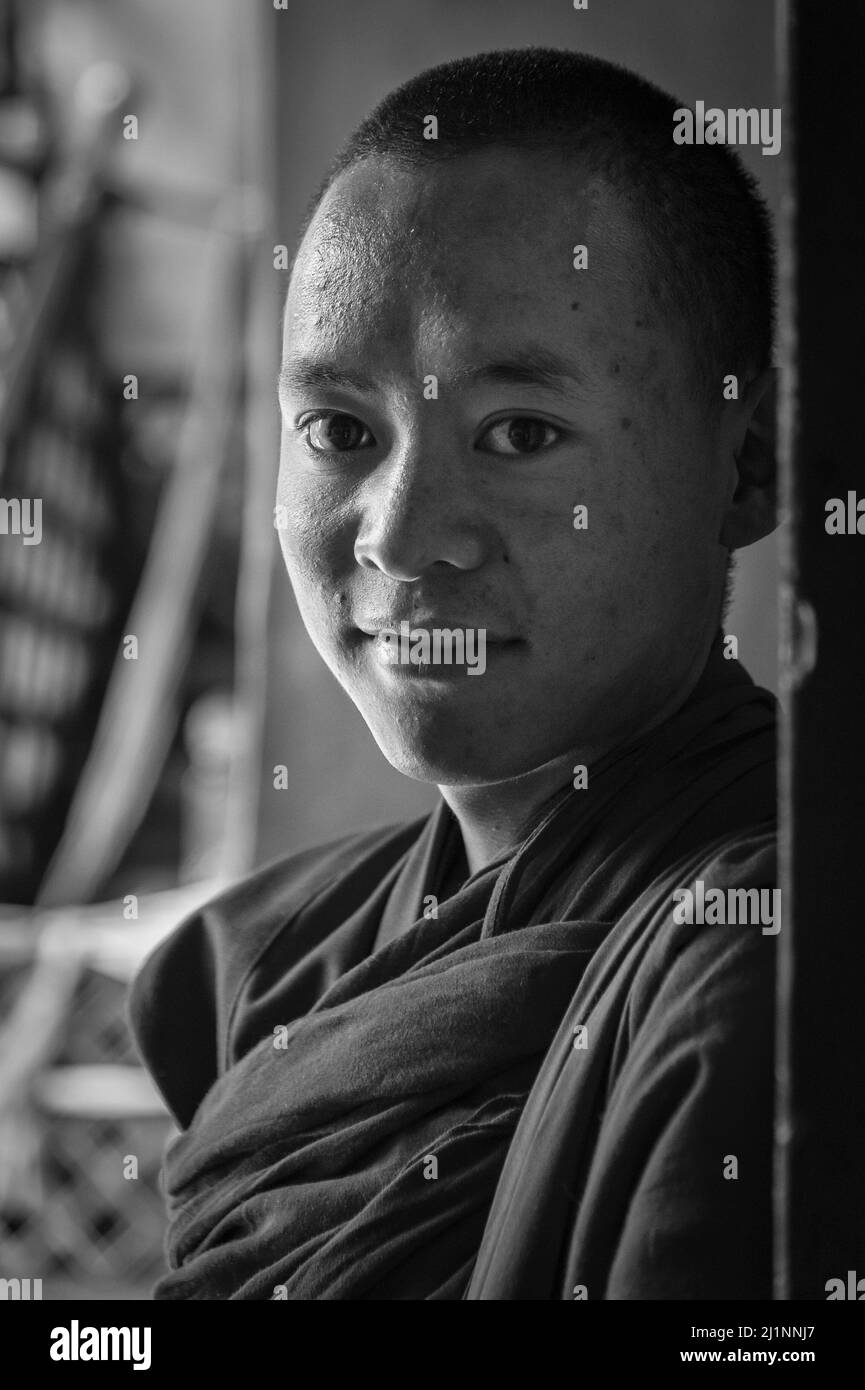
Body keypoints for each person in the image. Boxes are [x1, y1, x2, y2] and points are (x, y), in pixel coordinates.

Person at [129, 47, 779, 1300]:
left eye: (520, 433)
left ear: (746, 464)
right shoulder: (255, 964)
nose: (400, 532)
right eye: (340, 431)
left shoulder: (752, 969)